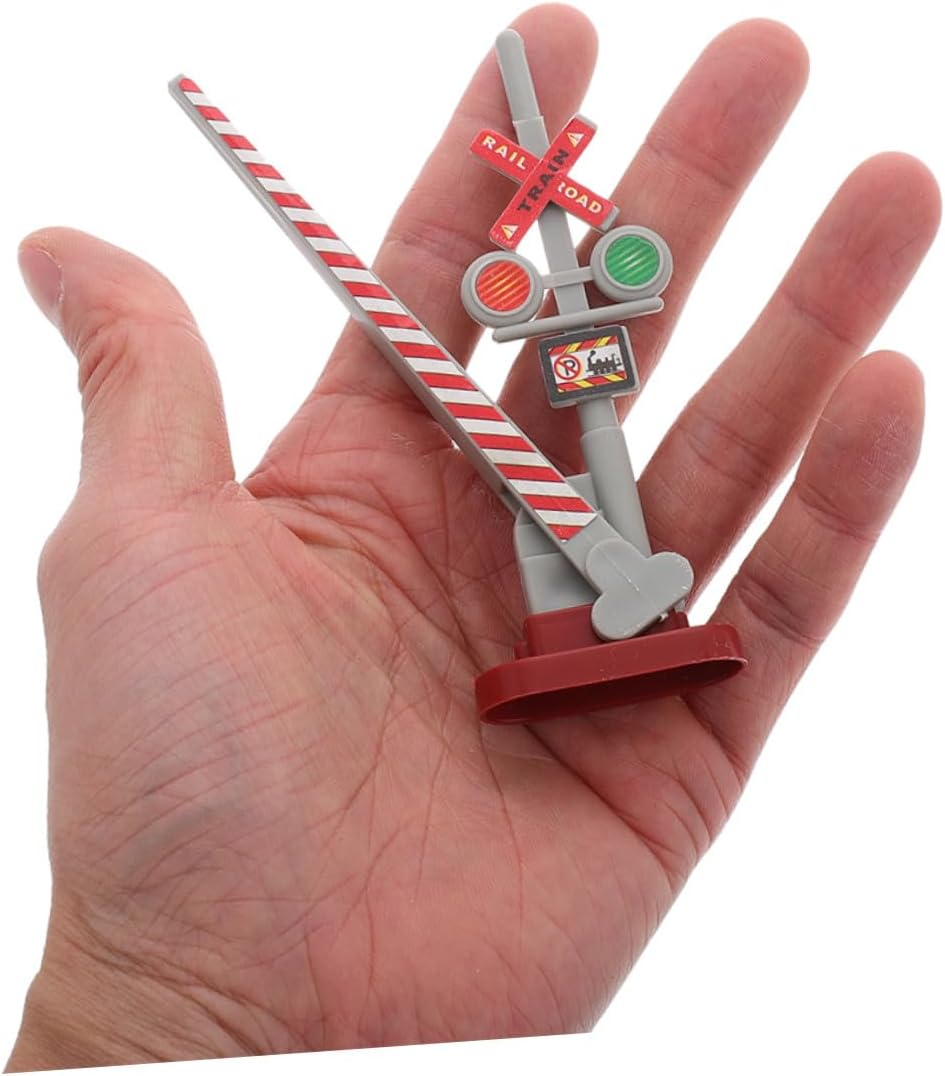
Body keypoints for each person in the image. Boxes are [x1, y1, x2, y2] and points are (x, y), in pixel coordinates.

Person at [6, 6, 939, 1070]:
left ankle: (621, 591)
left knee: (588, 480)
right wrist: (164, 1008)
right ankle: (596, 596)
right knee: (556, 515)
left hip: (586, 386)